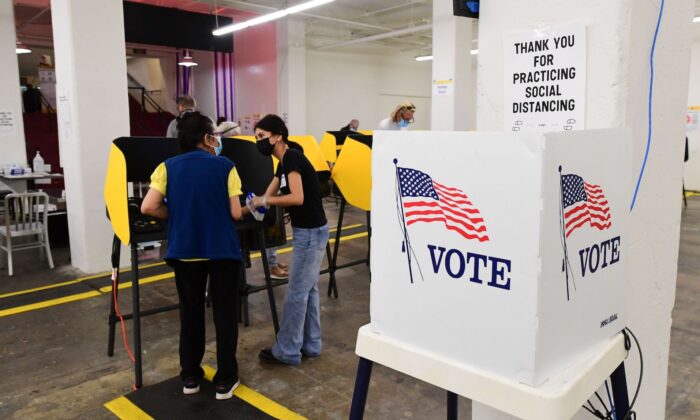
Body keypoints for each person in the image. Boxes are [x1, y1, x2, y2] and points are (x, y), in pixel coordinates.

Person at [141, 111, 244, 400]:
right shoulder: (225, 165)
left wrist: (175, 215)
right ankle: (225, 380)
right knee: (224, 315)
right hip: (222, 251)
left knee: (191, 315)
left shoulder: (167, 167)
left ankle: (190, 377)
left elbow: (148, 207)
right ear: (207, 137)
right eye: (215, 135)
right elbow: (235, 212)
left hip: (185, 252)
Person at [251, 114, 329, 365]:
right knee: (308, 289)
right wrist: (241, 209)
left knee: (296, 292)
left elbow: (297, 197)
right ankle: (311, 344)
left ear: (278, 136)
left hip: (310, 233)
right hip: (310, 232)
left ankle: (287, 351)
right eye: (256, 137)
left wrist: (265, 201)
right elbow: (265, 197)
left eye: (262, 136)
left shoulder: (292, 157)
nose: (259, 141)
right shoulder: (282, 163)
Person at [216, 119, 288, 279]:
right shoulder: (247, 151)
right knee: (268, 225)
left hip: (236, 208)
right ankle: (271, 265)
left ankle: (269, 264)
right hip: (250, 205)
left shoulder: (221, 155)